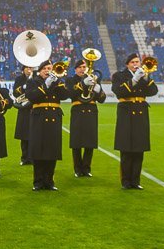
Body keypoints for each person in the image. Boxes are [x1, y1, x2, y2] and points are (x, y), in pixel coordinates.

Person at [111, 53, 158, 189]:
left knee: (139, 148)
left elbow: (153, 91)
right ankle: (126, 181)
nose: (136, 64)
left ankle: (136, 181)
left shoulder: (144, 75)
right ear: (127, 64)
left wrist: (146, 77)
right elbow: (119, 91)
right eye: (132, 62)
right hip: (126, 112)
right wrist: (134, 80)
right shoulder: (119, 76)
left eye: (137, 61)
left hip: (141, 113)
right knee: (126, 149)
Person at [26, 60, 70, 190]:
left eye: (49, 68)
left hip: (54, 118)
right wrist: (46, 85)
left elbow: (65, 95)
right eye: (44, 68)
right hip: (39, 117)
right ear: (40, 70)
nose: (47, 70)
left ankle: (49, 181)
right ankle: (38, 182)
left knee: (52, 149)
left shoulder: (57, 81)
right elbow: (31, 96)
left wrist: (58, 82)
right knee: (38, 150)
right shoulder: (33, 81)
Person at [67, 58, 106, 177]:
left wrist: (97, 89)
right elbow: (70, 94)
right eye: (79, 67)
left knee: (90, 141)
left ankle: (87, 168)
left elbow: (102, 99)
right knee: (77, 142)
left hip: (91, 112)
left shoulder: (93, 79)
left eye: (84, 67)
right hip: (78, 111)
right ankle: (78, 169)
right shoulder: (71, 80)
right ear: (75, 70)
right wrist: (83, 84)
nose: (82, 69)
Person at [13, 65, 34, 165]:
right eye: (27, 68)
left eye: (31, 68)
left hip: (34, 109)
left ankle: (33, 157)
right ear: (23, 70)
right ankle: (24, 158)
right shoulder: (19, 79)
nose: (29, 70)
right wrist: (24, 86)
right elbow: (15, 92)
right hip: (23, 110)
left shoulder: (36, 79)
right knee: (24, 136)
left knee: (34, 135)